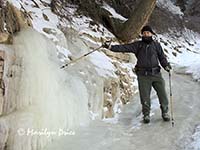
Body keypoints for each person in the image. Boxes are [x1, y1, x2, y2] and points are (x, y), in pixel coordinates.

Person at [102, 25, 172, 124]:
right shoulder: (138, 45)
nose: (146, 34)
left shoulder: (156, 45)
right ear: (142, 34)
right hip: (143, 75)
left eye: (148, 33)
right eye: (144, 33)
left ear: (152, 34)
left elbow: (162, 57)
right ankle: (146, 115)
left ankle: (165, 112)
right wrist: (110, 47)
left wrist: (166, 66)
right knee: (145, 97)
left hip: (156, 74)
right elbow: (124, 47)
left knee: (163, 95)